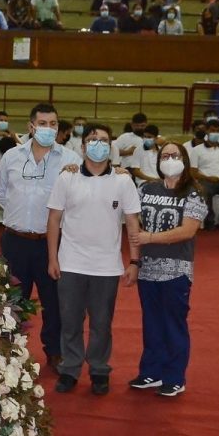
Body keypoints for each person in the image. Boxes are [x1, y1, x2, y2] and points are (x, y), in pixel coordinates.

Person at [47, 123, 140, 396]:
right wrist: (52, 257)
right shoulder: (67, 177)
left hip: (107, 267)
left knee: (102, 323)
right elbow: (54, 219)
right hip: (71, 263)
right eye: (92, 139)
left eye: (103, 140)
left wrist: (135, 262)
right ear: (84, 146)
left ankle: (99, 369)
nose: (97, 144)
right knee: (70, 321)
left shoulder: (123, 180)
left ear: (110, 146)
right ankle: (70, 369)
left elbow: (133, 223)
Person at [0, 103, 81, 369]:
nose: (48, 128)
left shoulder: (70, 160)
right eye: (43, 123)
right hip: (15, 240)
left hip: (51, 243)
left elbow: (83, 193)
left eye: (53, 124)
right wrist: (20, 212)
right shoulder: (12, 156)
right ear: (31, 127)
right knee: (12, 299)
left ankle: (55, 351)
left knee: (54, 301)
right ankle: (7, 350)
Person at [128, 143, 206, 397]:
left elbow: (187, 230)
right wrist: (135, 262)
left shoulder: (193, 193)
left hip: (176, 270)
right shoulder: (146, 189)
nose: (170, 159)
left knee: (173, 324)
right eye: (164, 156)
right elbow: (133, 228)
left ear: (184, 159)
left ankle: (174, 376)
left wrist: (150, 238)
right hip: (148, 270)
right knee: (151, 323)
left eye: (175, 155)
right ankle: (151, 371)